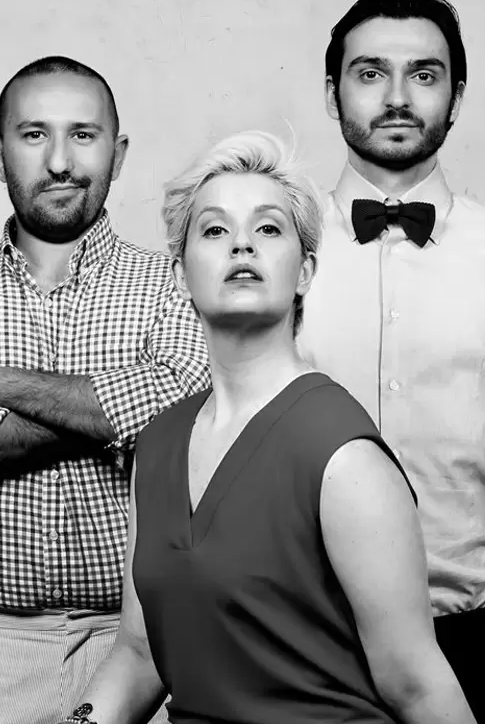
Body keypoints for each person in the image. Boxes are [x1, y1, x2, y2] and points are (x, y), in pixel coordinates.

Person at [61, 131, 475, 724]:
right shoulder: (158, 442)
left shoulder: (343, 456)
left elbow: (417, 685)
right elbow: (139, 653)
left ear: (305, 271)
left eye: (268, 228)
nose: (242, 244)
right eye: (214, 230)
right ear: (179, 275)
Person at [0, 55, 209, 724]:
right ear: (0, 150)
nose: (60, 162)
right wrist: (116, 413)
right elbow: (156, 406)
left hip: (151, 647)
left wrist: (6, 384)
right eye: (35, 134)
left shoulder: (175, 280)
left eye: (83, 135)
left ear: (117, 155)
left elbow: (186, 396)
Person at [297, 0, 485, 719]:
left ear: (457, 97)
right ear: (331, 92)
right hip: (303, 638)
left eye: (424, 75)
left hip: (470, 636)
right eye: (371, 72)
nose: (398, 97)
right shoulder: (271, 249)